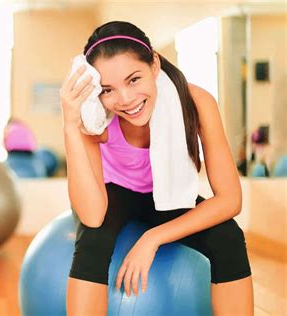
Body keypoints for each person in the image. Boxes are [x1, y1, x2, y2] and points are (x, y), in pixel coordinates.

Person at [60, 21, 254, 315]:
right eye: (108, 89)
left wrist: (152, 238)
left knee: (227, 237)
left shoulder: (197, 102)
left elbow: (230, 200)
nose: (125, 99)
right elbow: (93, 214)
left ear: (154, 64)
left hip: (166, 196)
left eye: (134, 79)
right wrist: (71, 126)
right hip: (110, 195)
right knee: (93, 238)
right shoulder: (94, 116)